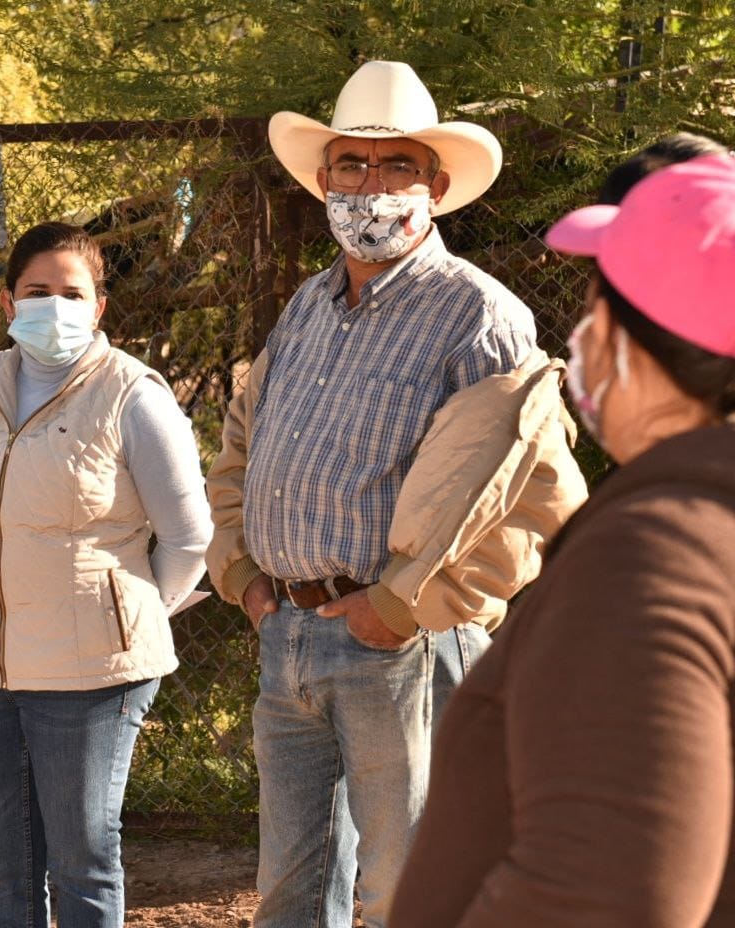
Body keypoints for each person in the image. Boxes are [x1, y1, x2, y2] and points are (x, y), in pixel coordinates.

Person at [390, 153, 735, 926]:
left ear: (628, 338)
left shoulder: (658, 560)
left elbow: (593, 897)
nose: (582, 337)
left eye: (595, 308)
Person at [205, 60, 587, 927]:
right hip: (287, 634)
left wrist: (408, 606)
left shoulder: (479, 316)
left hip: (401, 643)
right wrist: (246, 580)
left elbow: (531, 493)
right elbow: (240, 445)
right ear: (322, 181)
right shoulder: (306, 305)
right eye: (351, 165)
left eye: (396, 166)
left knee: (410, 891)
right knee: (289, 891)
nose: (369, 186)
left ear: (437, 186)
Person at [0, 221, 213, 928]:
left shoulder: (133, 395)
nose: (54, 306)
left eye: (72, 293)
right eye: (38, 291)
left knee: (83, 863)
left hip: (91, 673)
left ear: (98, 308)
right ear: (8, 304)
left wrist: (130, 611)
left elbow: (188, 539)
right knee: (3, 870)